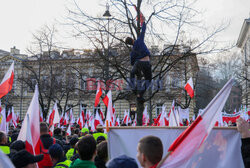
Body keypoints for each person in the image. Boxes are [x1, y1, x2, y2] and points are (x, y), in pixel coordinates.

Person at [125, 20, 152, 102]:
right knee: (149, 79)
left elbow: (131, 62)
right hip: (146, 62)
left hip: (138, 64)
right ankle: (140, 94)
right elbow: (143, 30)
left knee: (132, 73)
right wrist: (143, 22)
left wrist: (136, 70)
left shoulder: (132, 51)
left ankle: (134, 88)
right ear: (133, 39)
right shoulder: (139, 40)